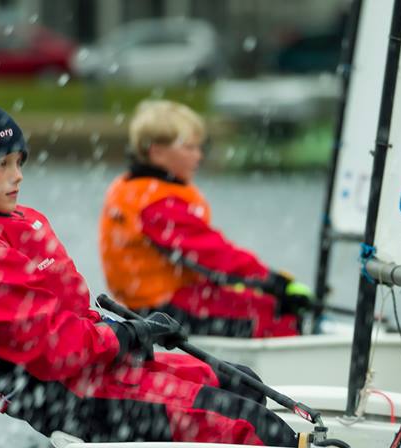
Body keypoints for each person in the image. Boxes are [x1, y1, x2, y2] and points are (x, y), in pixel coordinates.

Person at [0, 96, 298, 447]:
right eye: (1, 164)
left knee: (244, 384)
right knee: (253, 425)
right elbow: (56, 349)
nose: (17, 176)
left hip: (97, 367)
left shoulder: (22, 222)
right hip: (67, 395)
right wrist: (130, 333)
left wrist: (130, 332)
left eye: (19, 162)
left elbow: (73, 318)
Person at [99, 99, 314, 339]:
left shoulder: (132, 189)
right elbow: (211, 253)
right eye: (189, 148)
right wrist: (274, 282)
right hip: (164, 310)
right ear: (157, 152)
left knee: (261, 301)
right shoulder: (157, 203)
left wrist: (262, 284)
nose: (198, 156)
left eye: (199, 147)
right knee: (277, 313)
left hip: (150, 304)